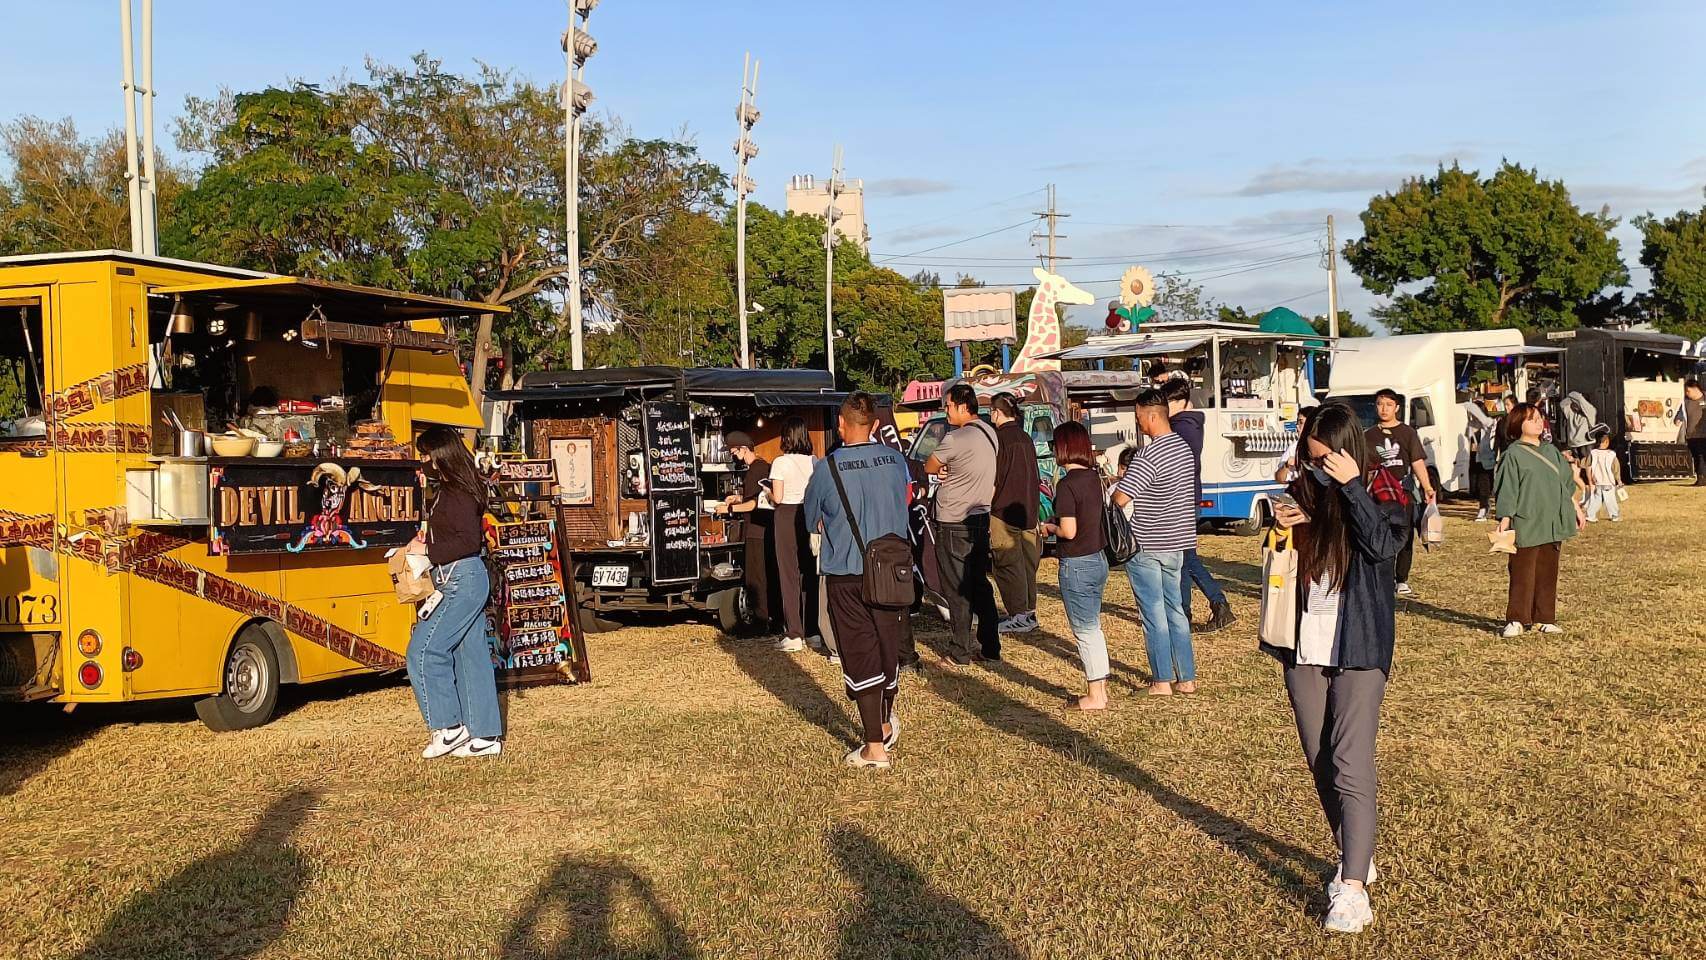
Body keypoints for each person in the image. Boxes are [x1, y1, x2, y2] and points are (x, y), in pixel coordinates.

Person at [1266, 402, 1409, 935]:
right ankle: (1356, 850)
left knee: (1351, 761)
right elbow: (1286, 546)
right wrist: (1285, 520)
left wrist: (1351, 488)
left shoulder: (1385, 487)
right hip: (1304, 642)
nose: (1319, 467)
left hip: (1360, 644)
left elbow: (1383, 546)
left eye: (1328, 459)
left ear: (1350, 450)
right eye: (1313, 458)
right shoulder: (1306, 488)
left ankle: (1352, 887)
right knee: (1320, 759)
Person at [802, 392, 912, 769]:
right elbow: (906, 501)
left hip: (847, 571)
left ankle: (874, 746)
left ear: (841, 425)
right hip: (893, 569)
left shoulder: (827, 468)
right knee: (887, 646)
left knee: (860, 653)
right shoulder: (896, 461)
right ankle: (883, 719)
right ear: (876, 426)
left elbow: (810, 517)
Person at [407, 426, 503, 759]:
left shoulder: (458, 492)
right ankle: (485, 734)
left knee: (424, 651)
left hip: (461, 578)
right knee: (471, 655)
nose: (422, 462)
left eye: (425, 455)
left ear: (441, 455)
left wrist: (428, 555)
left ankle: (448, 727)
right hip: (460, 577)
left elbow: (467, 541)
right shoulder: (454, 488)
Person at [1111, 388, 1198, 696]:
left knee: (1153, 614)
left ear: (1150, 416)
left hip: (1147, 543)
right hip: (1177, 542)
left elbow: (1121, 497)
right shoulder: (1184, 450)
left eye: (1138, 418)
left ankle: (1161, 680)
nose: (1139, 424)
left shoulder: (1148, 454)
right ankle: (1186, 677)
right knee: (1175, 609)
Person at [923, 383, 1002, 665]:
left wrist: (943, 468)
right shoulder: (989, 432)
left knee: (957, 589)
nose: (945, 411)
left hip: (953, 519)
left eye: (948, 406)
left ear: (961, 406)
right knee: (979, 583)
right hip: (980, 516)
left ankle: (960, 650)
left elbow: (930, 465)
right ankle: (990, 646)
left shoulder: (955, 438)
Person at [1493, 402, 1586, 638]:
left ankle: (1545, 617)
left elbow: (1565, 482)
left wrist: (1575, 506)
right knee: (1522, 570)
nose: (1537, 422)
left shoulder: (1551, 450)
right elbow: (1508, 488)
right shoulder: (1513, 454)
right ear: (1517, 424)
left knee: (1548, 569)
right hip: (1527, 519)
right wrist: (1505, 519)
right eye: (1531, 418)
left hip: (1552, 519)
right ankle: (1517, 618)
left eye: (1539, 418)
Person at [1041, 422, 1111, 710]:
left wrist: (1049, 528)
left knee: (1085, 631)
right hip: (1098, 559)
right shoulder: (1095, 479)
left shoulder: (1067, 485)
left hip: (1077, 563)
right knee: (1094, 626)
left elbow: (1068, 530)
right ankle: (1101, 689)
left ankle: (1095, 695)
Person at [1158, 376, 1236, 632]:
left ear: (1181, 402)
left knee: (1186, 559)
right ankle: (1188, 610)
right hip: (1189, 498)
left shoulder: (1182, 427)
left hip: (1182, 500)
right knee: (1184, 558)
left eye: (1168, 403)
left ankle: (1215, 604)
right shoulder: (1189, 424)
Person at [1365, 389, 1434, 597]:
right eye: (1379, 404)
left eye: (1388, 404)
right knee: (1380, 535)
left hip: (1404, 492)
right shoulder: (1368, 435)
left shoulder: (1407, 433)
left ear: (1396, 407)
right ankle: (1381, 576)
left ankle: (1401, 579)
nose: (1383, 408)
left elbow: (1417, 462)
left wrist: (1427, 487)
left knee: (1404, 536)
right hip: (1378, 494)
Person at [987, 393, 1042, 635]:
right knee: (1028, 563)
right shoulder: (1025, 438)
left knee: (1008, 563)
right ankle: (1028, 611)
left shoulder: (999, 439)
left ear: (997, 413)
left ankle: (1018, 614)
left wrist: (984, 508)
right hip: (1029, 509)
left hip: (1003, 510)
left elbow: (994, 480)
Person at [717, 431, 777, 638]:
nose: (734, 456)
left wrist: (729, 509)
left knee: (756, 578)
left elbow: (753, 504)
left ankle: (760, 623)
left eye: (734, 451)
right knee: (766, 575)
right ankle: (772, 620)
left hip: (756, 531)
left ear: (743, 449)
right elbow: (755, 497)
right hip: (766, 529)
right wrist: (738, 496)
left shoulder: (754, 470)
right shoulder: (764, 467)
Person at [768, 418, 818, 652]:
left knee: (788, 573)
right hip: (808, 513)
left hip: (786, 515)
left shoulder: (780, 463)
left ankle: (794, 632)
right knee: (809, 572)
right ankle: (812, 629)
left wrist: (767, 493)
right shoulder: (814, 461)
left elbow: (777, 497)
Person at [1464, 396, 1499, 521]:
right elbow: (1468, 438)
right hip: (1474, 458)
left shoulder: (1488, 423)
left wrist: (1473, 407)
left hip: (1485, 458)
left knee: (1484, 484)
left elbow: (1485, 421)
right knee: (1474, 486)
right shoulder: (1471, 424)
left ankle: (1483, 508)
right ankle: (1484, 505)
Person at [1582, 431, 1623, 523]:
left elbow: (1587, 466)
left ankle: (1590, 515)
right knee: (1610, 500)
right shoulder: (1611, 454)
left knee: (1596, 499)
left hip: (1597, 481)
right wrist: (1619, 480)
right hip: (1608, 482)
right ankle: (1615, 515)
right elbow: (1616, 469)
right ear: (1606, 441)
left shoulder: (1593, 453)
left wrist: (1590, 479)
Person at [1275, 405, 1319, 484]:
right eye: (1297, 423)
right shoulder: (1294, 448)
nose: (1297, 427)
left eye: (1301, 422)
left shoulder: (1324, 446)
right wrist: (1286, 466)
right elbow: (1279, 478)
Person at [1677, 378, 1706, 485]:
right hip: (1691, 435)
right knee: (1696, 457)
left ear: (1695, 388)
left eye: (1688, 391)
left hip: (1704, 435)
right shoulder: (1686, 401)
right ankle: (1701, 478)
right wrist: (1678, 419)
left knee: (1702, 456)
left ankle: (1702, 479)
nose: (1687, 393)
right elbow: (1681, 412)